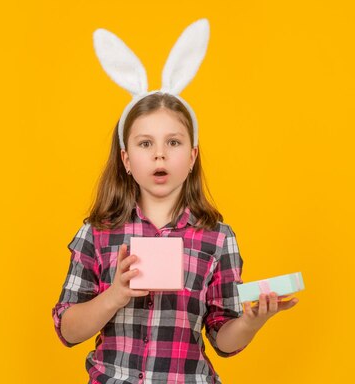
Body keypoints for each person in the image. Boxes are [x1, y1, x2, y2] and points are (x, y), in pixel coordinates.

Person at [52, 19, 299, 384]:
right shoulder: (98, 233)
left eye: (174, 142)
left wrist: (250, 321)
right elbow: (68, 330)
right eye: (145, 143)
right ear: (125, 159)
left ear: (193, 154)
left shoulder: (217, 238)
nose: (160, 156)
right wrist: (115, 295)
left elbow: (223, 341)